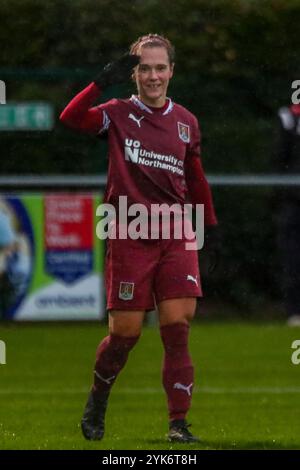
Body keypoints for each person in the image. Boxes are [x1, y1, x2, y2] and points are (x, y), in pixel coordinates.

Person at [60, 34, 218, 443]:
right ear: (134, 73)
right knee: (125, 334)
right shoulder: (116, 113)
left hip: (175, 231)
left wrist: (209, 226)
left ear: (171, 71)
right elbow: (71, 119)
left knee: (177, 326)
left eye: (160, 67)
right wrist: (99, 83)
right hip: (129, 230)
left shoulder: (186, 121)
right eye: (144, 68)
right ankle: (99, 396)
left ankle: (178, 425)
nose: (153, 75)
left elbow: (195, 176)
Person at [274, 102, 300, 326]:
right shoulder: (289, 117)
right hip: (293, 201)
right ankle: (294, 312)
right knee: (292, 257)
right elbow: (279, 159)